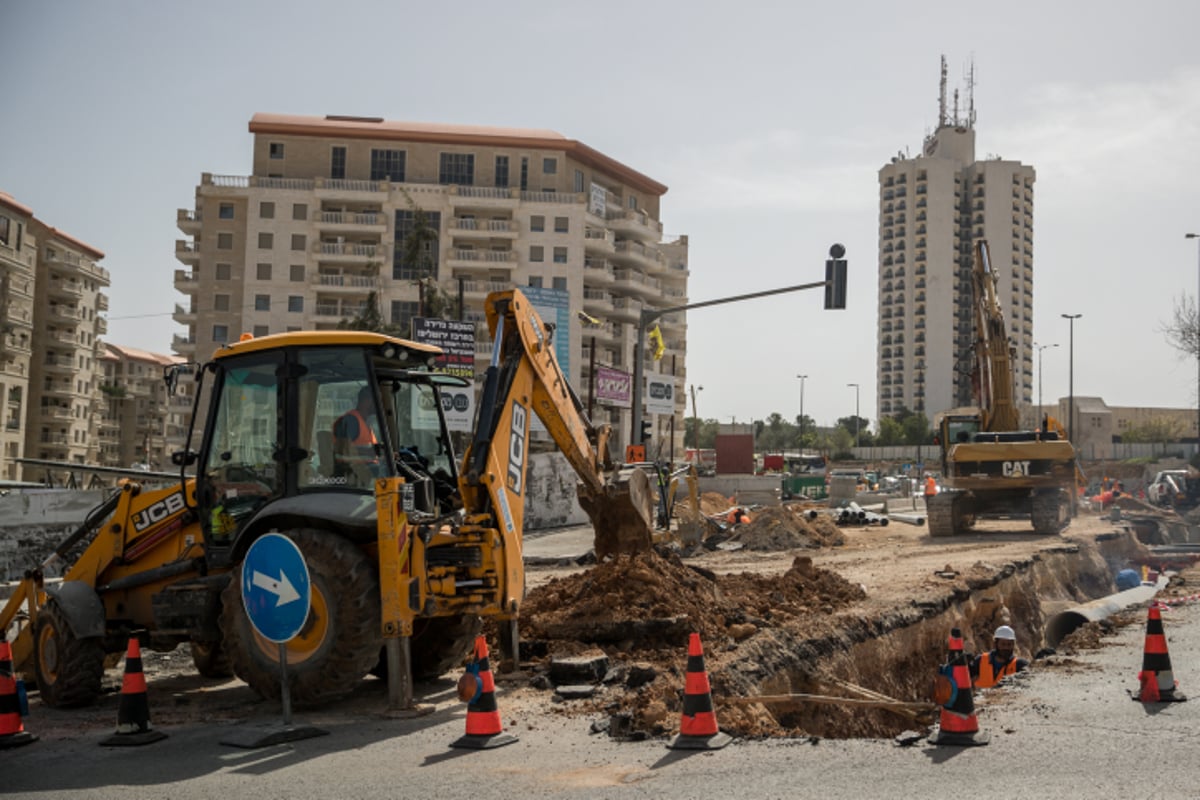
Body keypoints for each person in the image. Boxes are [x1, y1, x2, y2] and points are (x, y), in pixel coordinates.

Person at [332, 385, 380, 481]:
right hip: (352, 476)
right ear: (367, 401)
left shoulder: (365, 423)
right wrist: (371, 452)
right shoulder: (351, 421)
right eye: (377, 401)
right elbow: (342, 450)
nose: (379, 405)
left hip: (366, 474)